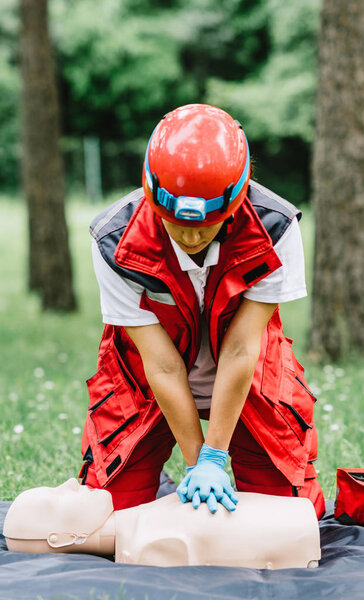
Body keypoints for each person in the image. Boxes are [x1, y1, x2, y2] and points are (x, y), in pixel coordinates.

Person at [79, 103, 325, 518]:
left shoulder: (276, 226)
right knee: (106, 518)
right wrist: (198, 464)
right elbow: (161, 366)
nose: (191, 235)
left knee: (291, 517)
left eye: (205, 225)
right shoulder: (113, 241)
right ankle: (156, 484)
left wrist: (216, 457)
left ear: (235, 200)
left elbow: (241, 349)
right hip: (145, 384)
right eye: (177, 224)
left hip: (249, 384)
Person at [3, 478, 321, 569]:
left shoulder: (149, 520)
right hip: (298, 534)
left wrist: (208, 457)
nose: (71, 481)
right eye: (55, 498)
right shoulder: (152, 541)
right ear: (59, 539)